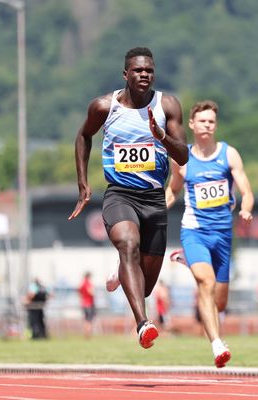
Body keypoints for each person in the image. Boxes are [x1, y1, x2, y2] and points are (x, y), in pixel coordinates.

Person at [68, 47, 188, 349]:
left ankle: (123, 272)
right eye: (138, 70)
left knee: (145, 287)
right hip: (120, 195)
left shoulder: (168, 106)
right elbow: (84, 136)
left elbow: (184, 155)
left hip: (153, 200)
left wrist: (160, 135)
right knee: (128, 243)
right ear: (126, 74)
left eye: (149, 70)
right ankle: (143, 325)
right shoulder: (104, 107)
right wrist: (83, 183)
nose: (144, 75)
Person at [165, 100, 254, 368]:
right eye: (202, 120)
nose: (207, 125)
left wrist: (246, 209)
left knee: (220, 302)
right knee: (206, 282)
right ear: (191, 124)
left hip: (223, 236)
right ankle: (217, 344)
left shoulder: (229, 155)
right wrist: (155, 211)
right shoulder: (183, 158)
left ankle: (187, 260)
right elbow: (173, 191)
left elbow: (247, 191)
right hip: (195, 231)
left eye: (211, 121)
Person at [79, 272, 96, 339]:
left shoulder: (82, 284)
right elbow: (91, 292)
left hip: (84, 304)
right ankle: (88, 335)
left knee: (86, 319)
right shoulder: (88, 283)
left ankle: (86, 335)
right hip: (89, 304)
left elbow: (80, 293)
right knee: (89, 320)